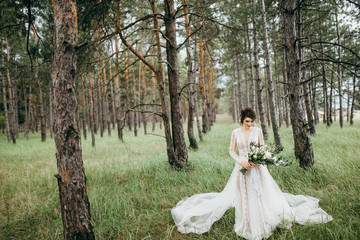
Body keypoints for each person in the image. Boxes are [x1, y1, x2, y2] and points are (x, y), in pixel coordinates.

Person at [171, 108, 333, 240]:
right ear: (242, 120)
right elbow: (231, 151)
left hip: (257, 167)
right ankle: (246, 222)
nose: (249, 124)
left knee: (259, 193)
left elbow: (262, 148)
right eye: (247, 121)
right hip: (242, 166)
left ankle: (262, 220)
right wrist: (241, 162)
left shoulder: (257, 131)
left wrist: (258, 161)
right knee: (244, 194)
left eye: (252, 121)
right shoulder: (236, 132)